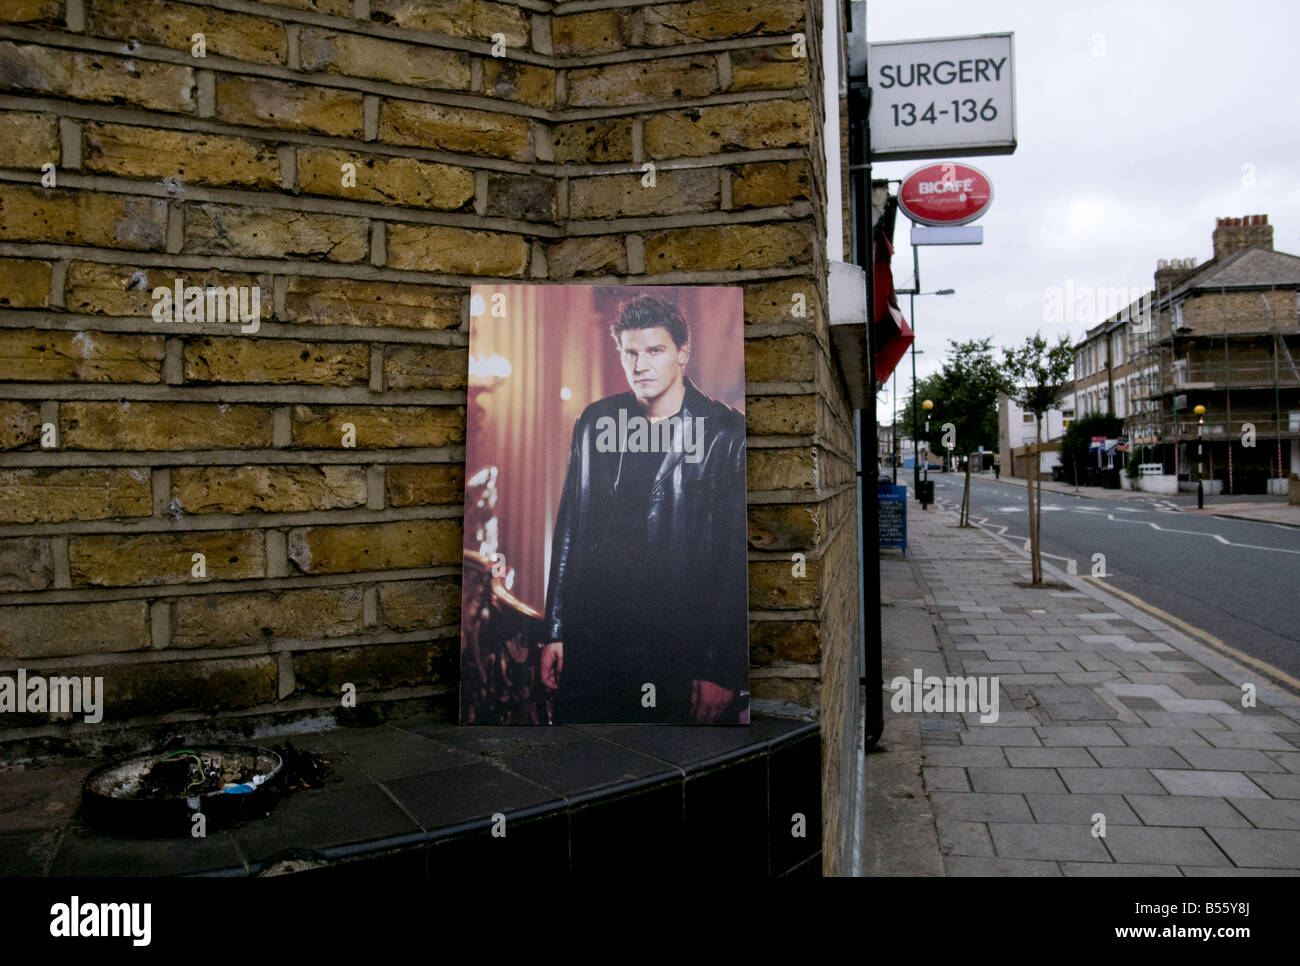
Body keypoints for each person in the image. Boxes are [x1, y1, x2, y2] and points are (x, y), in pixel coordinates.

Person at [539, 295, 748, 724]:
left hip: (676, 646)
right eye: (630, 352)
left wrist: (718, 666)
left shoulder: (725, 434)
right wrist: (556, 630)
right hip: (593, 635)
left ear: (682, 353)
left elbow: (735, 559)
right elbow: (569, 527)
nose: (640, 365)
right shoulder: (596, 420)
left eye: (655, 351)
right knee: (582, 757)